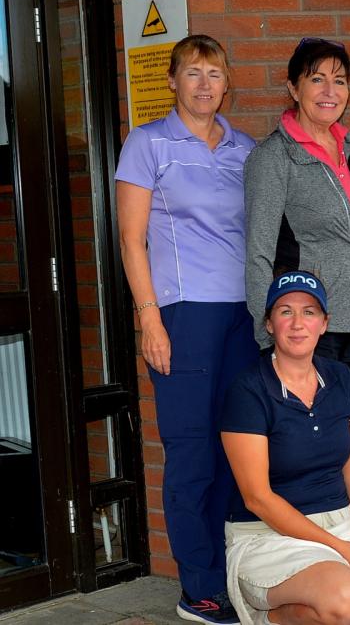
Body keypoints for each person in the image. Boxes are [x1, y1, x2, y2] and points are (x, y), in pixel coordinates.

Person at [115, 34, 258, 624]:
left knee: (238, 452)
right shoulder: (148, 143)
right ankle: (198, 590)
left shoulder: (245, 148)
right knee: (193, 453)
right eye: (193, 73)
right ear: (172, 81)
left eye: (215, 74)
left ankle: (230, 577)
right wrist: (150, 316)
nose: (204, 84)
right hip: (181, 313)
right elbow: (131, 239)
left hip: (242, 319)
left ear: (228, 84)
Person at [244, 38, 350, 463]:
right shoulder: (273, 158)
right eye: (317, 79)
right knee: (314, 450)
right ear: (294, 88)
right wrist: (267, 334)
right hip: (307, 331)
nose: (330, 91)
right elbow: (258, 253)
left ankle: (349, 532)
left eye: (340, 81)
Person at [222, 271, 350, 625]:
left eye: (309, 312)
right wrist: (340, 549)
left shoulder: (341, 377)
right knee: (347, 600)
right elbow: (257, 498)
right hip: (268, 537)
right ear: (269, 324)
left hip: (339, 526)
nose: (298, 323)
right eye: (285, 312)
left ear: (324, 324)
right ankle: (273, 618)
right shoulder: (248, 390)